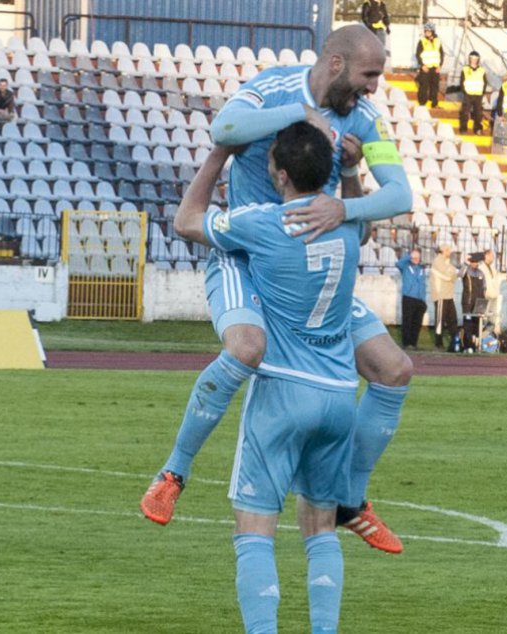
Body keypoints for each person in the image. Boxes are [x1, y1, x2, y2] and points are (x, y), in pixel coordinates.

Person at [141, 24, 413, 555]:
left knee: (394, 369)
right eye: (369, 75)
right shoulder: (274, 88)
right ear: (336, 64)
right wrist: (298, 116)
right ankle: (173, 473)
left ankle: (350, 501)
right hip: (244, 256)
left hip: (305, 263)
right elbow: (226, 126)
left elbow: (400, 193)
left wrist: (346, 204)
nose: (374, 88)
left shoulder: (364, 118)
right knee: (246, 347)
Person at [175, 122, 361, 634]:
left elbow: (187, 220)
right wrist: (348, 171)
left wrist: (220, 154)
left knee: (255, 530)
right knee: (321, 529)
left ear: (279, 174)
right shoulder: (349, 225)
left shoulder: (264, 221)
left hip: (284, 388)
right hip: (342, 393)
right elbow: (354, 202)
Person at [396, 247, 427, 349]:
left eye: (418, 257)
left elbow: (423, 284)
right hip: (408, 297)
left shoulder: (421, 269)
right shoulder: (405, 266)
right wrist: (409, 256)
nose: (416, 259)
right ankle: (406, 343)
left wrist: (423, 299)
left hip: (420, 299)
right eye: (414, 257)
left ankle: (414, 343)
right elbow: (398, 264)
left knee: (417, 323)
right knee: (407, 321)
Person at [430, 243, 458, 351]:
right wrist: (451, 273)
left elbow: (454, 276)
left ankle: (454, 342)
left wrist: (451, 274)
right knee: (440, 321)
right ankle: (438, 344)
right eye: (448, 250)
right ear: (443, 250)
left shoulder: (446, 262)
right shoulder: (438, 261)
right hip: (441, 295)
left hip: (448, 295)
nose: (450, 252)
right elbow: (449, 275)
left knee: (452, 319)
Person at [460, 252, 486, 353]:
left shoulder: (481, 273)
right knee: (468, 324)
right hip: (468, 301)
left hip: (479, 302)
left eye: (476, 262)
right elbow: (460, 274)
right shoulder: (466, 271)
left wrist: (483, 302)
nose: (474, 264)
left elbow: (484, 288)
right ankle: (467, 346)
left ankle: (475, 345)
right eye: (472, 262)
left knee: (477, 324)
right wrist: (466, 264)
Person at [458, 51, 486, 135]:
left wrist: (482, 92)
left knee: (478, 113)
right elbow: (461, 82)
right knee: (465, 112)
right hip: (468, 94)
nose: (474, 60)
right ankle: (463, 129)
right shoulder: (465, 69)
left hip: (478, 95)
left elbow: (485, 82)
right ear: (469, 59)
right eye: (472, 59)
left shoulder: (482, 70)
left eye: (475, 59)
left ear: (478, 60)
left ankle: (478, 129)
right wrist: (465, 92)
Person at [415, 23, 442, 109]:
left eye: (428, 31)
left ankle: (434, 103)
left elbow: (441, 54)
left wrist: (440, 66)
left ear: (432, 32)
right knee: (423, 86)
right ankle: (422, 103)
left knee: (435, 87)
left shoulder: (438, 41)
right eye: (426, 31)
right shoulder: (422, 41)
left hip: (435, 68)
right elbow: (418, 54)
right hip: (425, 67)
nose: (426, 33)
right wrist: (422, 65)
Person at [478, 248, 504, 335]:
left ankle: (492, 338)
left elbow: (498, 277)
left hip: (494, 297)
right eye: (491, 256)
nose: (493, 258)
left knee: (493, 319)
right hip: (485, 297)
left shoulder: (492, 268)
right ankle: (482, 338)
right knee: (484, 320)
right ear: (486, 256)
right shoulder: (481, 268)